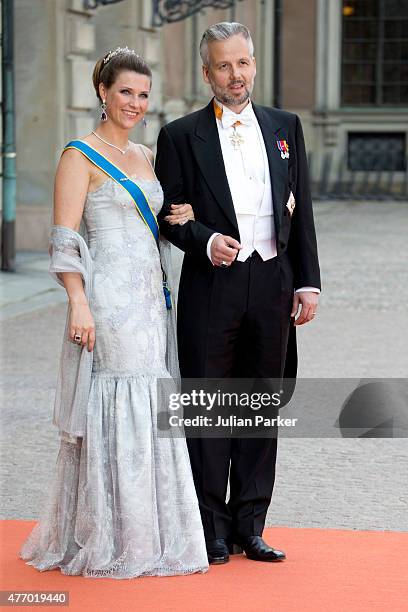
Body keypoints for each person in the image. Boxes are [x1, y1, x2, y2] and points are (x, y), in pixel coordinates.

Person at [20, 47, 208, 578]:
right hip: (108, 300)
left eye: (143, 95)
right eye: (126, 92)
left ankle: (148, 533)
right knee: (120, 398)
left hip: (151, 298)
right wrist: (78, 302)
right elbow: (63, 242)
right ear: (102, 91)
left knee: (150, 396)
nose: (135, 103)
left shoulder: (146, 157)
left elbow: (160, 222)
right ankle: (112, 535)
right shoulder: (78, 154)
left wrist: (184, 213)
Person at [155, 23, 321, 564]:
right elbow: (170, 216)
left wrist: (307, 280)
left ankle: (251, 525)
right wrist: (204, 241)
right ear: (207, 73)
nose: (236, 75)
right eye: (223, 66)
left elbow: (304, 210)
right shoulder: (181, 135)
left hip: (272, 282)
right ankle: (212, 529)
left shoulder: (285, 127)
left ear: (253, 63)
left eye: (242, 63)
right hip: (212, 287)